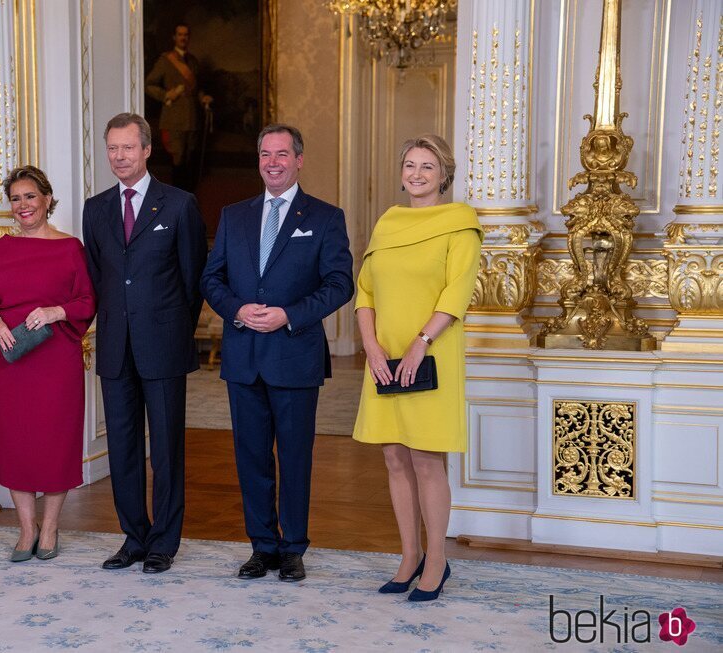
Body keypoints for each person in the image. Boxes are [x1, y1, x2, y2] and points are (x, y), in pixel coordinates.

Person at [200, 124, 354, 582]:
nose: (273, 162)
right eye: (265, 154)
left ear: (299, 159)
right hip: (244, 356)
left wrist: (290, 314)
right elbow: (212, 279)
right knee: (251, 457)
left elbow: (339, 283)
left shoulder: (326, 217)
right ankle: (261, 547)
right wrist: (237, 310)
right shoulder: (234, 215)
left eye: (282, 154)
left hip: (294, 355)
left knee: (294, 457)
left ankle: (293, 549)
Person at [352, 134, 482, 601]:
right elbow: (364, 289)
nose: (417, 174)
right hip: (384, 353)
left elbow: (456, 292)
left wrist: (420, 344)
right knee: (393, 455)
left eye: (427, 166)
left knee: (427, 458)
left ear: (444, 175)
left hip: (432, 353)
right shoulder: (388, 223)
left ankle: (438, 561)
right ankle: (409, 556)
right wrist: (369, 345)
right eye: (410, 164)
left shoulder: (460, 225)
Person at [82, 112, 207, 574]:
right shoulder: (95, 209)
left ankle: (164, 542)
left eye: (128, 148)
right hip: (115, 347)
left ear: (147, 150)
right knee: (123, 447)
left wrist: (172, 329)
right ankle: (133, 537)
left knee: (168, 449)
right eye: (112, 148)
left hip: (165, 345)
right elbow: (98, 279)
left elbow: (194, 281)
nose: (119, 156)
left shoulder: (179, 204)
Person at [0, 166, 96, 562]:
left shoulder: (70, 248)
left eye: (30, 196)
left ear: (46, 199)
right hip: (12, 364)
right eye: (16, 199)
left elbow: (87, 302)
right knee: (18, 443)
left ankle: (50, 527)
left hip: (56, 363)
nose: (23, 205)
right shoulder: (0, 250)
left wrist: (55, 310)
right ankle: (26, 529)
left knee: (55, 443)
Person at [145, 22, 213, 192]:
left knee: (190, 159)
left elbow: (195, 89)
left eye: (186, 35)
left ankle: (189, 196)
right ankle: (177, 198)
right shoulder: (165, 60)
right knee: (177, 160)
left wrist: (202, 97)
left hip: (192, 118)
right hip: (173, 118)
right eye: (180, 34)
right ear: (174, 37)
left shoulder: (193, 61)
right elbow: (149, 84)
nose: (183, 38)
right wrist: (167, 95)